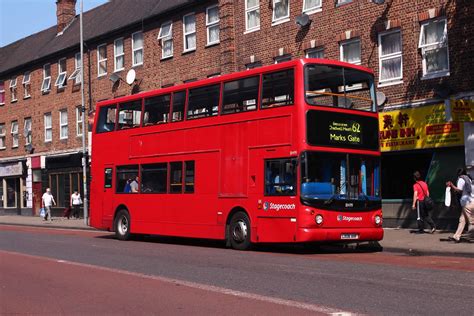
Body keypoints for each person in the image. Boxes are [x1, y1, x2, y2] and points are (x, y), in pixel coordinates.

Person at [446, 168, 474, 242]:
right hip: (471, 202)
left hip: (466, 203)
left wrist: (452, 185)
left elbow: (459, 190)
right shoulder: (469, 179)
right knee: (462, 220)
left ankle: (472, 236)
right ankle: (456, 236)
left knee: (471, 222)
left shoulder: (461, 179)